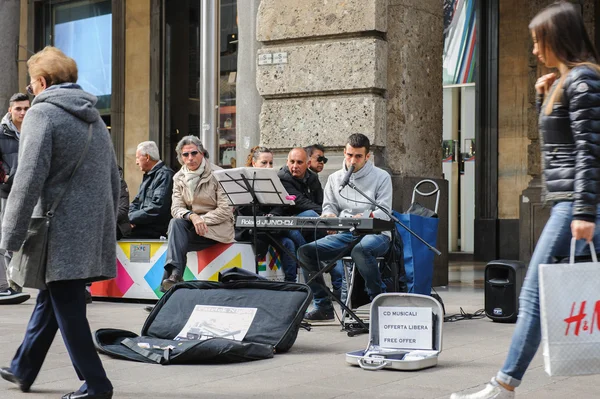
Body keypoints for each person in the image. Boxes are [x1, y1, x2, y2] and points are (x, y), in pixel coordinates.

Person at [451, 3, 600, 398]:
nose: (534, 50)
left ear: (558, 39)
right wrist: (542, 100)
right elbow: (560, 149)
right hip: (568, 202)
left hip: (574, 205)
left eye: (538, 40)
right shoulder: (567, 83)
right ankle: (504, 385)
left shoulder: (583, 82)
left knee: (534, 293)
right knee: (540, 293)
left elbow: (590, 150)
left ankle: (503, 386)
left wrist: (584, 211)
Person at [0, 46, 117, 399]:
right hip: (89, 227)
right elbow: (113, 176)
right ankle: (24, 366)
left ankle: (97, 385)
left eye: (31, 82)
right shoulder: (93, 116)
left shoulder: (42, 114)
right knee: (53, 298)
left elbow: (28, 177)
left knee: (67, 305)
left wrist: (11, 234)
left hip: (58, 230)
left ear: (41, 81)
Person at [297, 133, 392, 322]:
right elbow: (329, 206)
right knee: (305, 252)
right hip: (346, 234)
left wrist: (367, 215)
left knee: (361, 250)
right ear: (344, 152)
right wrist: (329, 216)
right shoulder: (334, 178)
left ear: (367, 157)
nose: (352, 160)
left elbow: (385, 210)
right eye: (349, 155)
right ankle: (324, 306)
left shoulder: (381, 177)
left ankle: (380, 305)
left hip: (376, 233)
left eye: (358, 156)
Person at [161, 135, 235, 292]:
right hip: (193, 228)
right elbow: (176, 208)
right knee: (175, 224)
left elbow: (226, 209)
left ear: (202, 153)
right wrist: (192, 217)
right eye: (185, 154)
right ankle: (175, 276)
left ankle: (166, 294)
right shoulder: (178, 177)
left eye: (194, 153)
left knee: (175, 243)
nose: (190, 158)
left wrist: (202, 220)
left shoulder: (219, 174)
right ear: (181, 157)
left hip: (215, 229)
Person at [237, 146, 298, 282]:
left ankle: (290, 283)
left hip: (271, 228)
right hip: (253, 230)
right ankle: (313, 258)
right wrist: (263, 216)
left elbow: (280, 204)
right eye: (264, 163)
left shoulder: (274, 180)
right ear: (254, 163)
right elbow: (244, 208)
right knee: (291, 233)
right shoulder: (243, 181)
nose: (268, 166)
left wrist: (273, 215)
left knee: (288, 243)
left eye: (270, 163)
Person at [0, 93, 31, 304]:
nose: (22, 112)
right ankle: (7, 285)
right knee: (5, 237)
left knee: (25, 238)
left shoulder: (34, 129)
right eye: (18, 108)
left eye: (26, 108)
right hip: (6, 192)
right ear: (10, 110)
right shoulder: (1, 132)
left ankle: (15, 282)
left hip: (30, 194)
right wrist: (7, 177)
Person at [128, 141, 174, 238]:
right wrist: (128, 219)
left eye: (137, 158)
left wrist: (130, 219)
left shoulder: (165, 175)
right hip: (143, 225)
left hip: (155, 229)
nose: (136, 162)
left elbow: (157, 208)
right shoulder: (149, 176)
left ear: (147, 157)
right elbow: (136, 202)